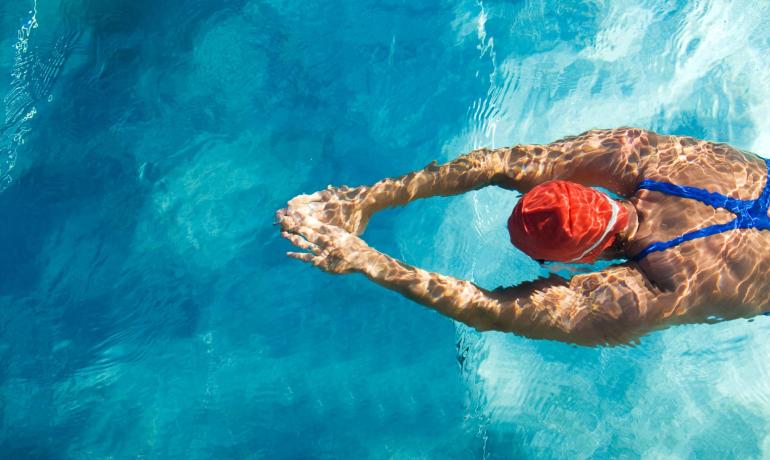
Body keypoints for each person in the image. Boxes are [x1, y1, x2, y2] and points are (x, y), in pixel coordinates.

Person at [276, 127, 770, 346]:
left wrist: (363, 259)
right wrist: (365, 199)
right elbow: (499, 164)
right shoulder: (651, 158)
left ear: (583, 259)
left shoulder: (658, 289)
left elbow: (490, 310)